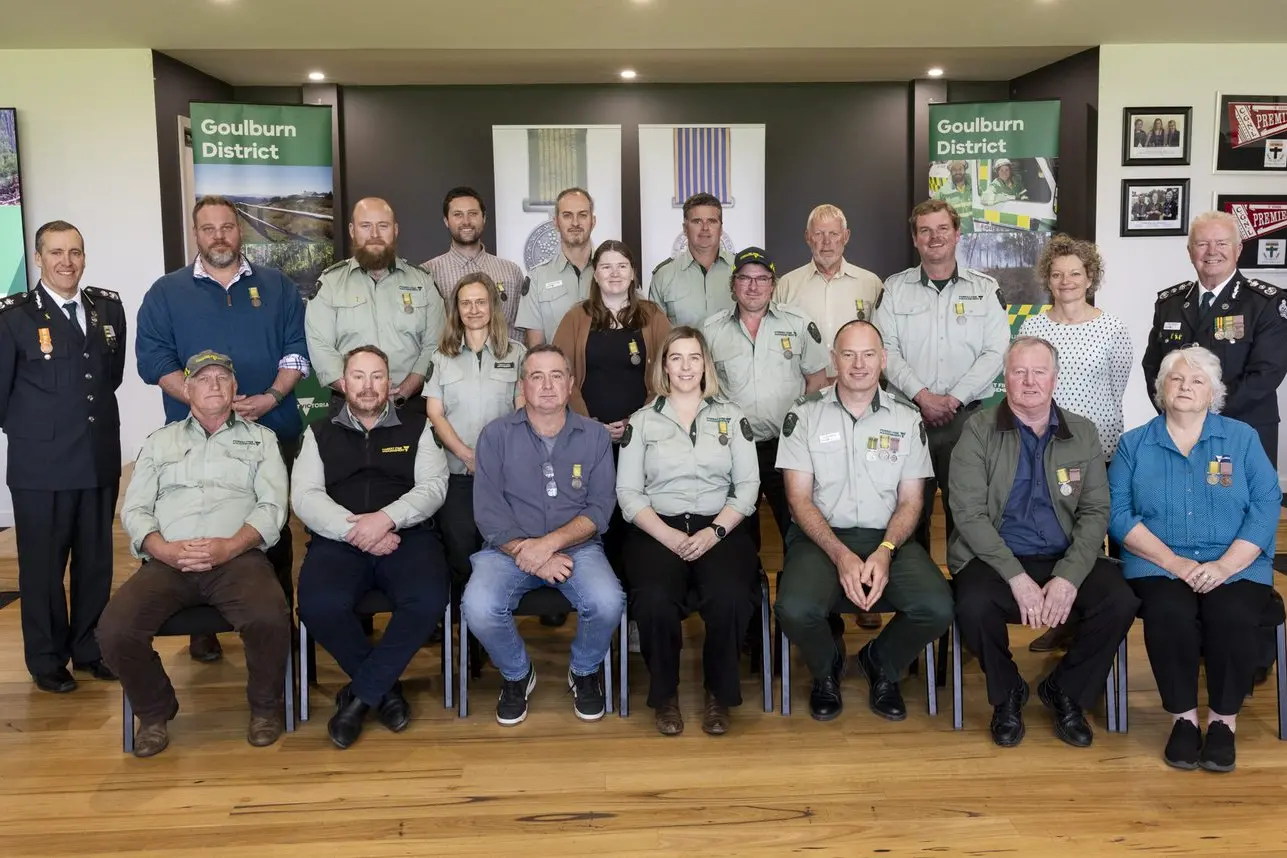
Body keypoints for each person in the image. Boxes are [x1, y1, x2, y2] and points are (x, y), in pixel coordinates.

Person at [136, 194, 309, 665]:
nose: (219, 236)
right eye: (208, 228)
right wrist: (202, 401)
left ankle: (277, 627)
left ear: (240, 231)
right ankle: (202, 626)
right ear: (196, 235)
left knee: (272, 528)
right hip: (194, 434)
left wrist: (271, 396)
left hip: (271, 426)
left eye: (227, 227)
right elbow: (153, 360)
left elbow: (297, 351)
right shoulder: (165, 292)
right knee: (195, 519)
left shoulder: (277, 287)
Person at [949, 337, 1140, 749]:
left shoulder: (1082, 432)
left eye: (1039, 372)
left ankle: (1066, 691)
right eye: (1019, 372)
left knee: (1120, 601)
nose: (1029, 381)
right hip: (996, 557)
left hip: (1063, 554)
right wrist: (1016, 578)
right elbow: (968, 514)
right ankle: (1007, 693)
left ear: (1054, 378)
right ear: (1006, 379)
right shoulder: (978, 430)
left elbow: (1095, 512)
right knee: (972, 604)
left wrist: (1069, 576)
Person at [98, 350, 290, 758]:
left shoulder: (262, 439)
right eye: (203, 379)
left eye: (223, 377)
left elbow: (273, 507)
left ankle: (265, 708)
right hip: (169, 561)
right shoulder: (159, 441)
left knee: (270, 617)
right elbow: (134, 509)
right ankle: (154, 712)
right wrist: (161, 549)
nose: (214, 385)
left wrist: (231, 545)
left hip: (237, 557)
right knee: (114, 631)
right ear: (187, 390)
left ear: (235, 387)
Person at [1109, 346, 1281, 772]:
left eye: (1197, 380)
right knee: (1169, 612)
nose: (1185, 387)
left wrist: (1224, 567)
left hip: (1235, 563)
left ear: (1213, 393)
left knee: (1233, 615)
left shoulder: (1241, 438)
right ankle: (1183, 720)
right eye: (1176, 379)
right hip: (1158, 564)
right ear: (1161, 388)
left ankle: (1223, 724)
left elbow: (1265, 502)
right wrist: (1176, 564)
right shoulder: (1134, 444)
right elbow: (1117, 513)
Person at [773, 320, 954, 722]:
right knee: (793, 608)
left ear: (883, 360)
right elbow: (798, 500)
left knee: (938, 607)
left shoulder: (906, 418)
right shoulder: (804, 415)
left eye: (869, 354)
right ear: (834, 360)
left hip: (889, 539)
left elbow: (912, 501)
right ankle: (827, 669)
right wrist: (840, 554)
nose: (859, 364)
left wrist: (886, 551)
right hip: (821, 538)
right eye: (849, 355)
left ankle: (881, 663)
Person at [293, 345, 451, 749]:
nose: (367, 386)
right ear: (343, 383)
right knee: (317, 605)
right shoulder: (318, 431)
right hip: (339, 539)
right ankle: (384, 690)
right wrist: (355, 531)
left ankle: (360, 698)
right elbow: (306, 497)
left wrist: (385, 520)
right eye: (358, 376)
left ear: (390, 383)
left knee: (429, 598)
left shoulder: (417, 427)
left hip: (407, 536)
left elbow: (433, 487)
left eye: (377, 376)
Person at [461, 345, 625, 725]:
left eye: (556, 376)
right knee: (478, 608)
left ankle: (584, 671)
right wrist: (528, 553)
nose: (547, 385)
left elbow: (600, 509)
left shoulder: (595, 437)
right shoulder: (495, 435)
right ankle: (518, 675)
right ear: (523, 386)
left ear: (570, 385)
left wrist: (548, 547)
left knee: (607, 601)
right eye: (537, 376)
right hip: (506, 549)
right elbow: (487, 512)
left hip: (577, 549)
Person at [616, 326, 761, 736]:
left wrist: (714, 532)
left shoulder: (731, 417)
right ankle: (665, 696)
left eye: (693, 357)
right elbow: (627, 493)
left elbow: (748, 487)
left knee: (732, 596)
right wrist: (668, 536)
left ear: (705, 365)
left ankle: (719, 694)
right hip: (657, 528)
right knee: (655, 600)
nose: (685, 366)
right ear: (663, 366)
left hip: (719, 526)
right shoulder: (642, 422)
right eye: (675, 358)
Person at [0, 220, 125, 692]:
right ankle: (47, 659)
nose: (66, 262)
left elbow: (107, 378)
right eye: (55, 252)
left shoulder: (106, 309)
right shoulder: (12, 317)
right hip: (41, 466)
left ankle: (90, 648)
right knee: (43, 569)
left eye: (75, 252)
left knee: (95, 563)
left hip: (96, 458)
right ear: (38, 258)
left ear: (85, 257)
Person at [872, 199, 1010, 557]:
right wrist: (922, 396)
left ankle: (965, 587)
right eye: (925, 231)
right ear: (915, 239)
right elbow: (885, 349)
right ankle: (915, 586)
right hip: (906, 418)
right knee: (907, 507)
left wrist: (953, 399)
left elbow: (996, 351)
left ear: (957, 234)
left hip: (966, 419)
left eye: (942, 229)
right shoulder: (894, 288)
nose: (934, 237)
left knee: (965, 509)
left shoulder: (985, 288)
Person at [1019, 234, 1133, 652]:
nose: (1066, 281)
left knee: (1098, 531)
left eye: (1075, 274)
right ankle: (1062, 620)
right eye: (1057, 274)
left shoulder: (1111, 328)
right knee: (1062, 535)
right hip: (1045, 450)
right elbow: (1027, 386)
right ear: (1047, 279)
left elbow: (1116, 386)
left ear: (1090, 278)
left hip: (1099, 447)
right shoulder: (1034, 326)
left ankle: (1101, 620)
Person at [554, 240, 670, 573]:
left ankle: (634, 598)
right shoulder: (577, 317)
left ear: (633, 272)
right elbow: (560, 375)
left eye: (621, 265)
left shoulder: (652, 316)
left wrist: (637, 421)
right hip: (586, 437)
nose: (614, 273)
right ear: (595, 274)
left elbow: (669, 372)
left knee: (635, 514)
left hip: (642, 437)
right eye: (606, 266)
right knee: (594, 513)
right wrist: (590, 424)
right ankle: (596, 590)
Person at [703, 246, 828, 545]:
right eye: (745, 278)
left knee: (796, 526)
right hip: (732, 450)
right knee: (738, 533)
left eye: (762, 278)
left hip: (786, 448)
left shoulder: (797, 324)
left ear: (773, 283)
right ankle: (751, 586)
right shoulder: (711, 330)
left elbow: (817, 382)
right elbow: (703, 390)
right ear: (733, 284)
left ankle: (793, 584)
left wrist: (798, 432)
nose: (753, 286)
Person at [1143, 210, 1287, 468]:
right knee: (1182, 504)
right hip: (1180, 431)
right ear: (1190, 252)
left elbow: (1266, 374)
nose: (1212, 251)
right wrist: (1178, 412)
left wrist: (1202, 413)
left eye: (1221, 243)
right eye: (1202, 244)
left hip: (1244, 429)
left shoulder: (1265, 303)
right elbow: (1153, 367)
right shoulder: (1170, 304)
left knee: (1246, 505)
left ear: (1238, 249)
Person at [426, 272, 526, 588]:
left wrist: (492, 460)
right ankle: (464, 629)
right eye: (465, 303)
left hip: (505, 475)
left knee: (502, 551)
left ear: (492, 307)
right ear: (456, 309)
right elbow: (435, 413)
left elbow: (522, 411)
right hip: (458, 473)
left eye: (480, 302)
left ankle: (493, 620)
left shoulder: (517, 353)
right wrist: (467, 456)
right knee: (459, 554)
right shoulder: (441, 356)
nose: (473, 309)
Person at [306, 197, 447, 413]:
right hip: (348, 406)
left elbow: (435, 346)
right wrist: (357, 394)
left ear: (395, 230)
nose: (375, 235)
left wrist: (404, 391)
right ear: (352, 230)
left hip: (409, 404)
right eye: (366, 226)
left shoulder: (423, 282)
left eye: (383, 226)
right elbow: (320, 347)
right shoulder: (330, 284)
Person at [774, 204, 885, 374]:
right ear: (807, 237)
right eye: (819, 234)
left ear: (846, 237)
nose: (827, 242)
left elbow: (882, 343)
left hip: (857, 390)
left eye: (834, 234)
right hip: (803, 390)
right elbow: (775, 342)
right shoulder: (787, 285)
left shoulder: (870, 284)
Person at [422, 186, 525, 341]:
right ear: (446, 221)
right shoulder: (428, 273)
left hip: (506, 362)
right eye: (458, 215)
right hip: (451, 362)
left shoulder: (511, 271)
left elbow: (521, 329)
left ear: (483, 218)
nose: (466, 221)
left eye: (473, 214)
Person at [514, 187, 597, 347]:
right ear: (556, 222)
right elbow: (535, 348)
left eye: (582, 215)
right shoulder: (537, 278)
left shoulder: (614, 273)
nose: (575, 223)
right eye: (567, 215)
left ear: (593, 221)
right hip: (558, 371)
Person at [648, 192, 735, 328]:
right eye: (697, 221)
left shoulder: (742, 271)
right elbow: (656, 335)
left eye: (712, 221)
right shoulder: (664, 275)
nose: (705, 228)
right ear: (685, 229)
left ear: (721, 228)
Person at [932, 161, 975, 234]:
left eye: (960, 169)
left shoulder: (974, 188)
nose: (957, 172)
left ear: (964, 170)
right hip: (954, 235)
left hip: (972, 234)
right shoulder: (943, 191)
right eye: (954, 170)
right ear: (950, 172)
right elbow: (932, 211)